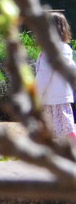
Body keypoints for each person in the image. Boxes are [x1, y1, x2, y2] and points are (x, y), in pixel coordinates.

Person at [35, 12, 76, 140]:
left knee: (48, 129)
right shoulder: (66, 50)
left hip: (50, 98)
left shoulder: (49, 52)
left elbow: (43, 75)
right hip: (63, 97)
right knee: (65, 127)